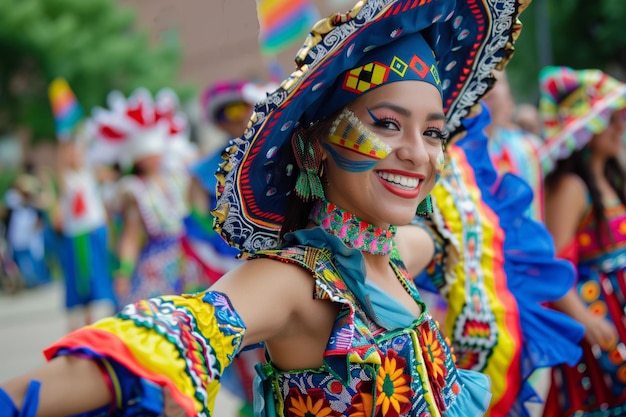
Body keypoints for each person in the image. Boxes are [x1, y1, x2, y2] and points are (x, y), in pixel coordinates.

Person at [0, 0, 526, 415]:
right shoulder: (294, 283)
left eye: (432, 131)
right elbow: (169, 337)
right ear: (312, 147)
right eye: (387, 124)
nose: (417, 152)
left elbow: (456, 234)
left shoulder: (396, 254)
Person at [539, 66, 626, 416]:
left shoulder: (609, 175)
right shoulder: (572, 187)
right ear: (587, 128)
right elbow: (551, 266)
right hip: (601, 317)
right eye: (611, 118)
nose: (621, 125)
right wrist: (584, 318)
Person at [88, 88, 191, 308]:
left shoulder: (178, 178)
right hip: (157, 268)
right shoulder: (135, 189)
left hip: (188, 260)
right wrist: (123, 273)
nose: (153, 157)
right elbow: (131, 235)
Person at [47, 78, 117, 332]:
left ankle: (99, 324)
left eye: (78, 151)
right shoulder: (65, 178)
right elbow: (62, 156)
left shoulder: (90, 172)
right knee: (80, 282)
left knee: (99, 280)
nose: (75, 155)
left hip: (94, 230)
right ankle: (81, 325)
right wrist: (63, 132)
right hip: (75, 235)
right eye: (71, 152)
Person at [484, 69, 545, 221]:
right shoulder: (452, 153)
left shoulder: (530, 147)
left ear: (509, 96)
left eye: (499, 81)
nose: (491, 85)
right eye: (482, 76)